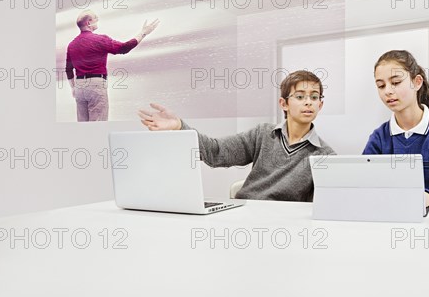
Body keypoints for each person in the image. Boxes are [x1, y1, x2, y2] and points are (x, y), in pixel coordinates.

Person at [138, 70, 335, 202]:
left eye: (314, 97)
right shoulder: (262, 134)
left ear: (320, 104)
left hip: (283, 227)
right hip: (243, 215)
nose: (308, 102)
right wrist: (179, 126)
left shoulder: (325, 156)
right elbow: (216, 152)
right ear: (283, 104)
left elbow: (320, 209)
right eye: (300, 96)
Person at [363, 50, 429, 209]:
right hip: (388, 225)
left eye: (396, 82)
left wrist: (426, 198)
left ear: (417, 82)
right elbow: (363, 189)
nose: (388, 91)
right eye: (381, 85)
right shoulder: (379, 138)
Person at [65, 10, 160, 121]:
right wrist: (143, 33)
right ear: (88, 22)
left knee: (83, 125)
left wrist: (73, 88)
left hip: (79, 87)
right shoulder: (100, 40)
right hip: (96, 85)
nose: (98, 19)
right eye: (95, 17)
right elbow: (124, 48)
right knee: (98, 125)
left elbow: (68, 69)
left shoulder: (72, 45)